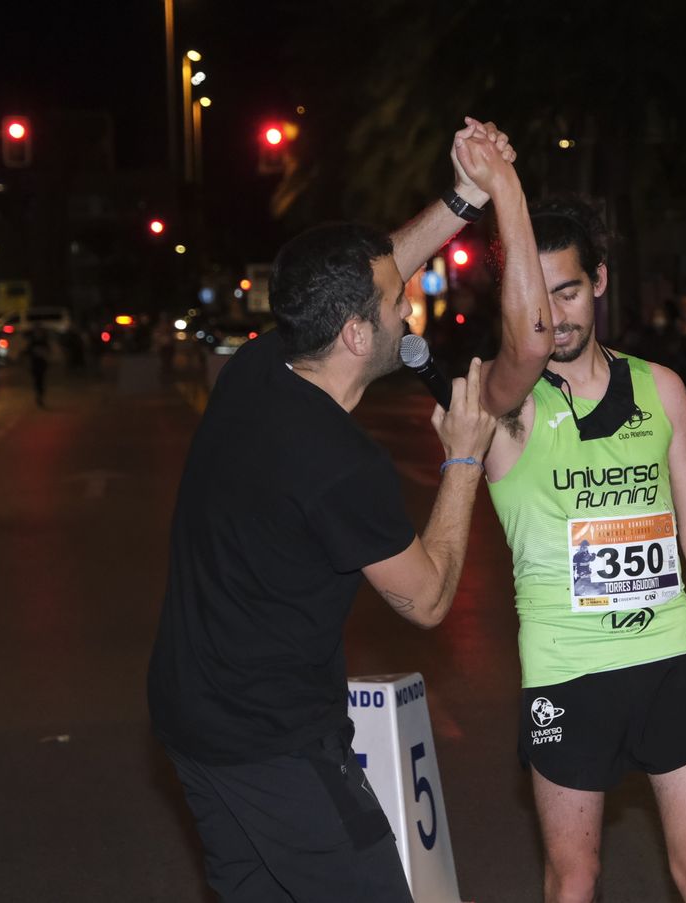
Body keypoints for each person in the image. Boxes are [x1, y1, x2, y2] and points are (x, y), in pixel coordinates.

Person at [146, 120, 514, 903]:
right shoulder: (340, 465)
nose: (407, 307)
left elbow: (368, 271)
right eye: (396, 303)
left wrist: (464, 198)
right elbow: (427, 598)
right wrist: (462, 459)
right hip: (271, 740)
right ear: (355, 333)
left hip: (191, 716)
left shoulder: (256, 369)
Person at [480, 196, 686, 903]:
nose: (553, 316)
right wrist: (498, 186)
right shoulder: (505, 407)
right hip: (566, 670)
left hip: (669, 657)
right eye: (535, 298)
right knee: (576, 879)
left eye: (567, 292)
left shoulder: (660, 388)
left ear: (599, 280)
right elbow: (518, 356)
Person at [25, 327, 51, 408]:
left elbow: (48, 351)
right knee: (36, 380)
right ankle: (38, 394)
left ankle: (40, 395)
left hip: (42, 364)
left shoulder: (44, 342)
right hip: (34, 363)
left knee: (41, 380)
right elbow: (28, 352)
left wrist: (43, 353)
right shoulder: (32, 342)